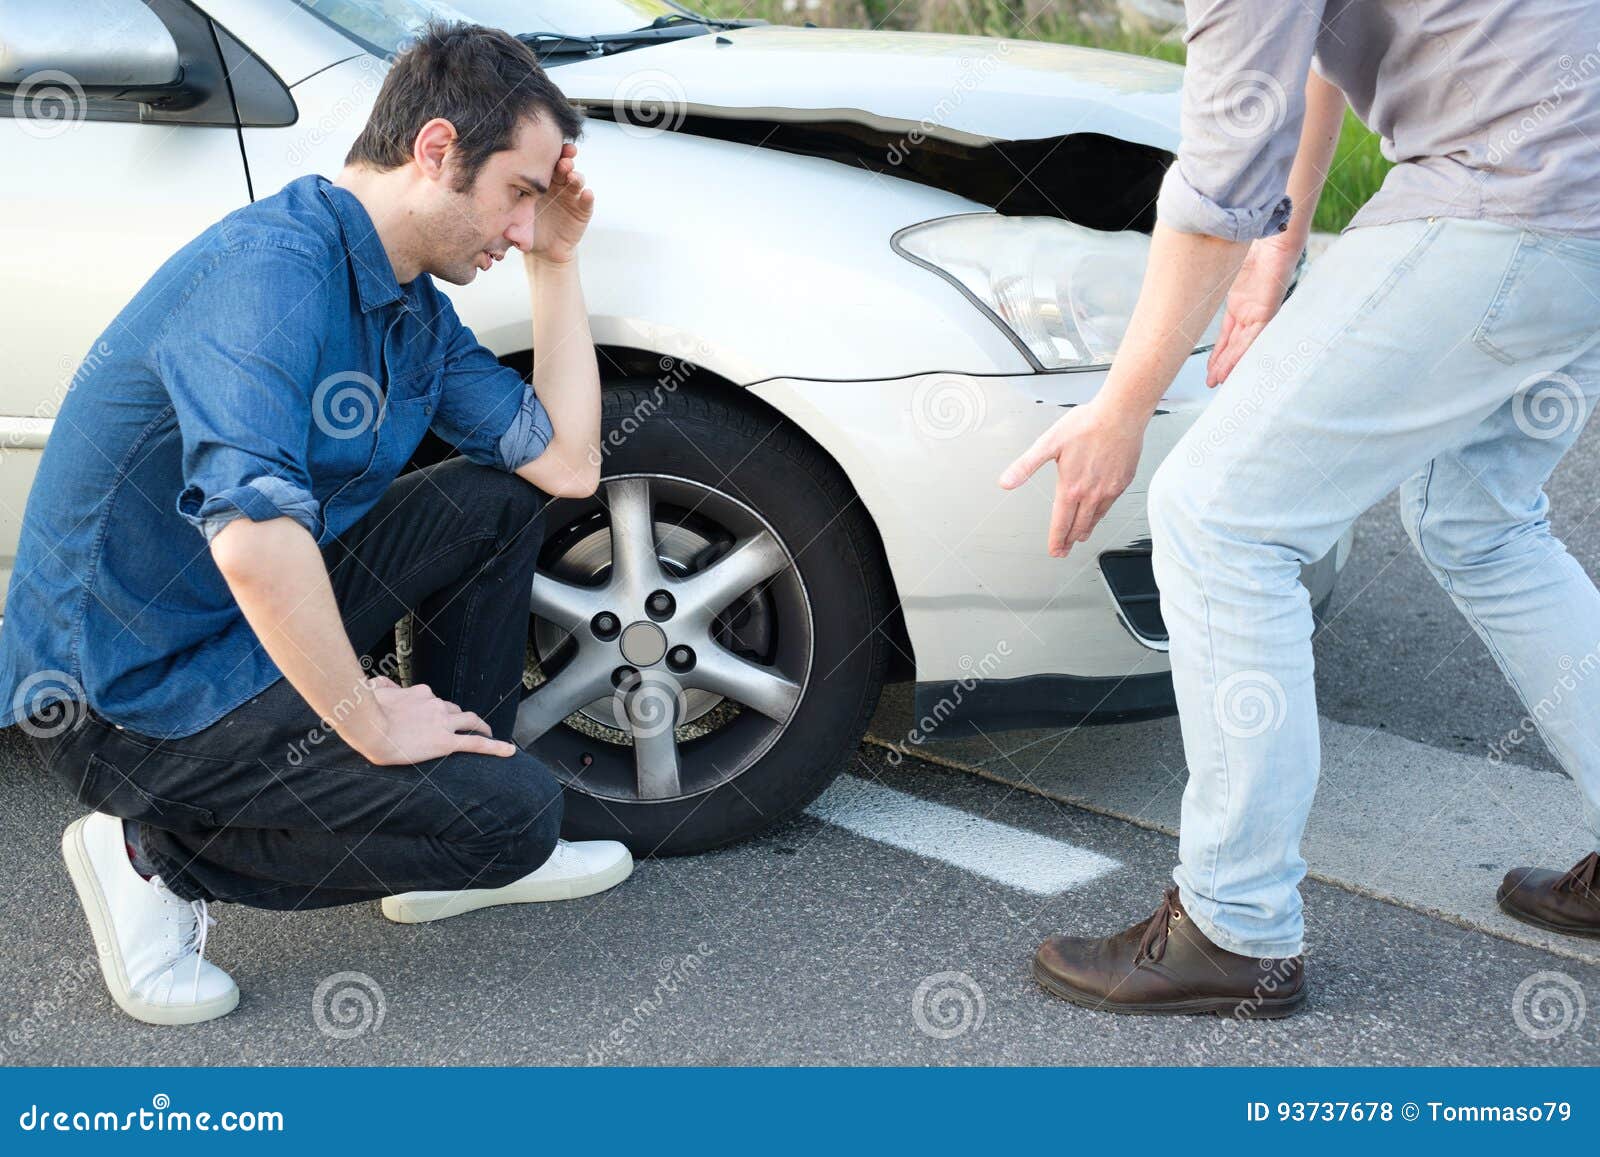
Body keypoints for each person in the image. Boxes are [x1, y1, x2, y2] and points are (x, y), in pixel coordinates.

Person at [0, 22, 633, 1027]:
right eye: (519, 193)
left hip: (231, 622)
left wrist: (555, 263)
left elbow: (563, 463)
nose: (521, 224)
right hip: (125, 689)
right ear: (436, 151)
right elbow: (251, 540)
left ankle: (460, 773)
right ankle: (148, 854)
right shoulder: (272, 274)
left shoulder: (407, 305)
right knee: (518, 822)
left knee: (495, 495)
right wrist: (370, 716)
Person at [999, 0, 1600, 1016]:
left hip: (1507, 196)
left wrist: (1120, 407)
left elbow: (1220, 178)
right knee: (1479, 523)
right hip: (1573, 201)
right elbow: (1315, 59)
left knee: (1218, 522)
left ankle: (1232, 927)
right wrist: (1278, 248)